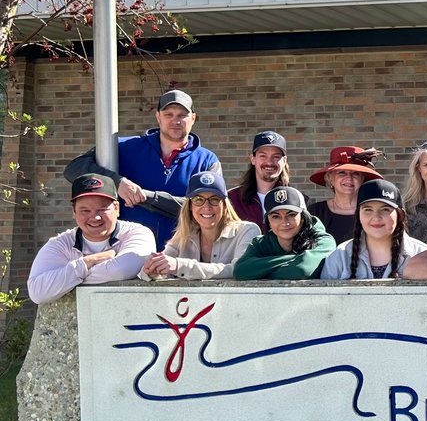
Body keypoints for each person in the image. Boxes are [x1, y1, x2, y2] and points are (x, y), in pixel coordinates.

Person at [63, 90, 221, 250]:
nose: (176, 121)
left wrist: (146, 197)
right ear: (158, 117)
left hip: (182, 252)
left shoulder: (207, 161)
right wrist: (118, 183)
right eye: (168, 115)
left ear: (193, 118)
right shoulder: (124, 148)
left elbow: (207, 208)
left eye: (182, 115)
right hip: (125, 252)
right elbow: (73, 169)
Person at [27, 174, 155, 304]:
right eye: (85, 211)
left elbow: (122, 270)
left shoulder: (137, 233)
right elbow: (37, 293)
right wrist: (88, 261)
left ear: (117, 208)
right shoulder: (60, 244)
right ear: (74, 212)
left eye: (102, 209)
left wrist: (66, 281)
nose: (95, 218)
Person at [139, 171, 260, 281]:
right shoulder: (184, 234)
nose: (207, 206)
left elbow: (239, 270)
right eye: (198, 199)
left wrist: (180, 266)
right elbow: (156, 270)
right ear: (190, 206)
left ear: (224, 206)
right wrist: (153, 269)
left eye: (214, 199)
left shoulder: (247, 231)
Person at [321, 179, 427, 280]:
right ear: (358, 215)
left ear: (400, 215)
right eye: (368, 210)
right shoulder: (340, 256)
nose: (376, 217)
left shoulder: (422, 254)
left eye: (385, 209)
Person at [234, 186, 335, 280]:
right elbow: (240, 270)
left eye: (291, 215)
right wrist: (295, 259)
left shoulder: (323, 241)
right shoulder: (261, 243)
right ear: (269, 222)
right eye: (276, 216)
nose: (284, 222)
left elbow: (301, 269)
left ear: (303, 218)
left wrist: (260, 274)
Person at [308, 146, 385, 244]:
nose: (349, 178)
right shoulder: (314, 212)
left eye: (356, 173)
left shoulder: (374, 212)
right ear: (330, 179)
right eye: (342, 173)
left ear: (363, 179)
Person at [230, 131, 296, 233]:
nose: (269, 162)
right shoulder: (232, 199)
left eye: (276, 157)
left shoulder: (298, 201)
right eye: (263, 156)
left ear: (284, 160)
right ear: (253, 159)